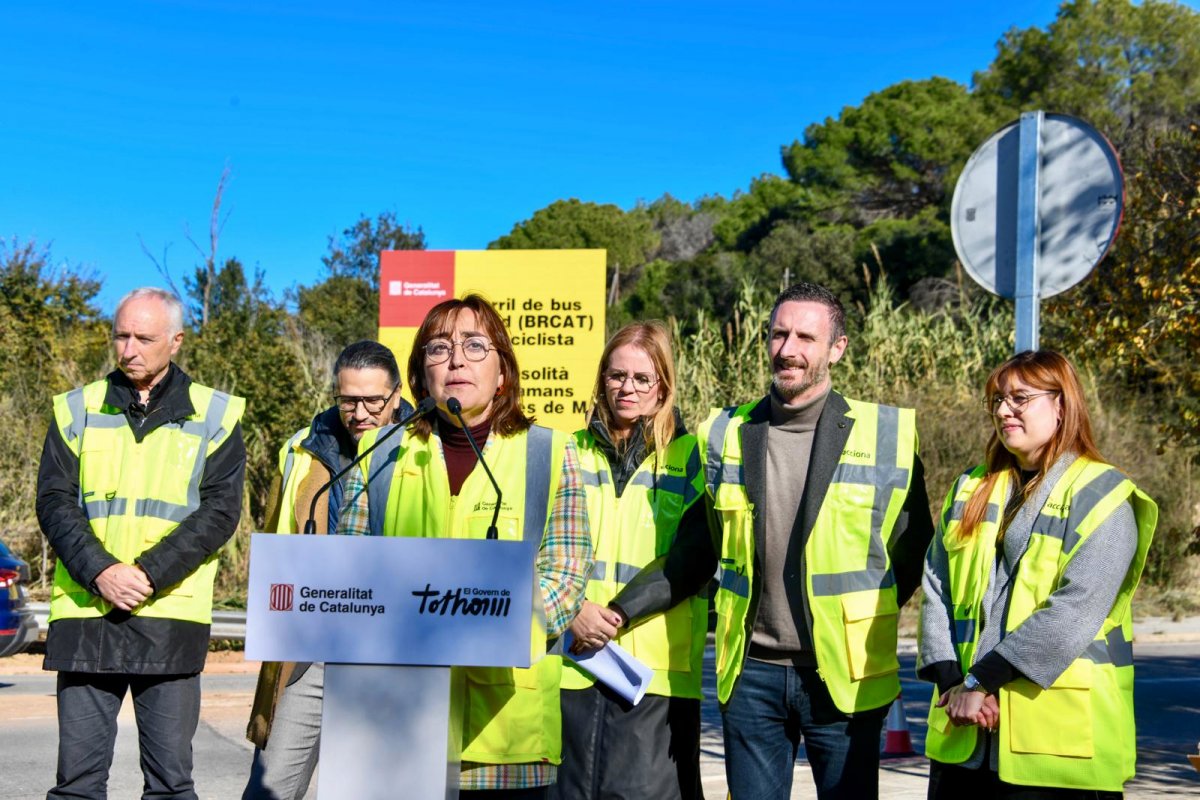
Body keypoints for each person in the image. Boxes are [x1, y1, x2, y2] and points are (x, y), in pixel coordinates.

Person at [614, 281, 934, 799]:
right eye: (778, 334)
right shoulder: (725, 432)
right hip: (751, 676)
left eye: (806, 337)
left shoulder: (886, 436)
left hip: (843, 676)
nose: (788, 350)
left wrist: (861, 616)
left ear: (837, 348)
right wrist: (622, 608)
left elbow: (913, 550)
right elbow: (700, 547)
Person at [337, 293, 593, 799]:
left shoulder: (550, 452)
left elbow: (564, 579)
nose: (455, 360)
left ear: (503, 373)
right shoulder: (378, 454)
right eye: (438, 348)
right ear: (420, 375)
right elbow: (350, 574)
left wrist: (481, 629)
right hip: (397, 722)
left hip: (506, 735)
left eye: (475, 346)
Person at [35, 287, 246, 800]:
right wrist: (101, 571)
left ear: (176, 341)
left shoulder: (216, 414)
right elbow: (54, 502)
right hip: (87, 614)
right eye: (121, 336)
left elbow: (219, 512)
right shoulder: (76, 408)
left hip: (169, 616)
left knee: (171, 785)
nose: (128, 349)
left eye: (144, 338)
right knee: (76, 787)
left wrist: (148, 573)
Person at [919, 350, 1157, 799]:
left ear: (1061, 405)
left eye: (1020, 398)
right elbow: (937, 584)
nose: (1003, 410)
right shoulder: (970, 486)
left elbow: (1075, 610)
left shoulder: (1103, 495)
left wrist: (981, 681)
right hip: (964, 733)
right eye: (997, 400)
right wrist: (954, 684)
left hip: (1058, 752)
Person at [243, 340, 413, 800]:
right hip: (310, 646)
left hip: (393, 649)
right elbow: (276, 537)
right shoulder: (302, 448)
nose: (359, 413)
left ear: (397, 395)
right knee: (269, 787)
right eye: (347, 400)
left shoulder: (426, 449)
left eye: (372, 400)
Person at [549, 322, 707, 800]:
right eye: (617, 376)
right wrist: (573, 610)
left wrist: (617, 613)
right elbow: (541, 543)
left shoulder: (692, 457)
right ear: (602, 379)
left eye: (642, 378)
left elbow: (695, 553)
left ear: (663, 385)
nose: (627, 388)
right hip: (571, 661)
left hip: (655, 674)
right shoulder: (566, 451)